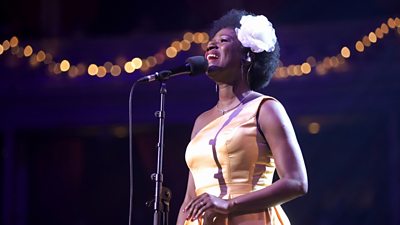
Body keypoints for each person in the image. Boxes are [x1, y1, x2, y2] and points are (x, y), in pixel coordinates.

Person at [176, 9, 308, 225]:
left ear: (247, 55)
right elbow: (189, 200)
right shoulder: (201, 121)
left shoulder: (265, 108)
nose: (211, 45)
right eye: (211, 42)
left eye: (223, 40)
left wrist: (228, 204)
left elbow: (296, 181)